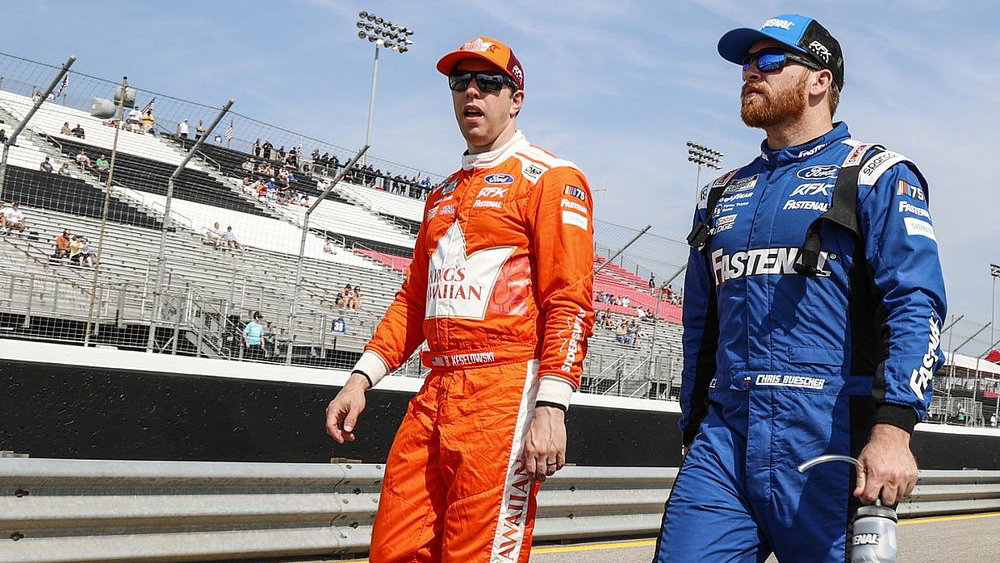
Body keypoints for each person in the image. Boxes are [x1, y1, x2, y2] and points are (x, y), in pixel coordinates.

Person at [653, 14, 947, 563]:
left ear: (819, 80)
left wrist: (893, 429)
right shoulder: (721, 192)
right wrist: (693, 425)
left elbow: (916, 306)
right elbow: (700, 323)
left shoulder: (875, 174)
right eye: (746, 63)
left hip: (830, 441)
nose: (750, 73)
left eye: (769, 61)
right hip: (726, 440)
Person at [324, 36, 595, 563]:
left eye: (489, 82)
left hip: (504, 390)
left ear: (515, 99)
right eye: (460, 81)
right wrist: (360, 379)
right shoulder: (441, 194)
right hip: (436, 387)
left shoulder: (553, 179)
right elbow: (414, 299)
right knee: (394, 549)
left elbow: (571, 302)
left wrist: (551, 406)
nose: (473, 91)